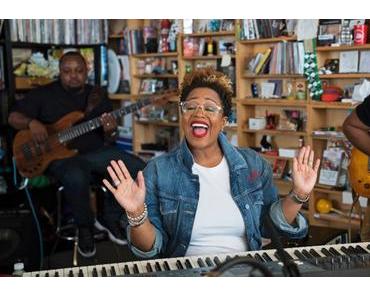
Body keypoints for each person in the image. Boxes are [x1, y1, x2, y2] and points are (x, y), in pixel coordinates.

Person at [103, 68, 321, 259]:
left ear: (224, 121)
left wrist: (298, 194)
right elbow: (150, 249)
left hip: (244, 270)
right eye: (190, 107)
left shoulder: (253, 164)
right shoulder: (159, 171)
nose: (199, 112)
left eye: (209, 108)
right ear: (183, 115)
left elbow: (269, 227)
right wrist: (137, 215)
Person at [8, 51, 145, 258]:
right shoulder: (43, 94)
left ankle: (110, 216)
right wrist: (31, 122)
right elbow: (13, 117)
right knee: (76, 174)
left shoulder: (96, 96)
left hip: (96, 153)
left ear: (86, 71)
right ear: (59, 72)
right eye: (67, 71)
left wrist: (110, 129)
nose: (73, 75)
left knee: (136, 166)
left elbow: (111, 138)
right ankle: (85, 228)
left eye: (79, 71)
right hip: (60, 158)